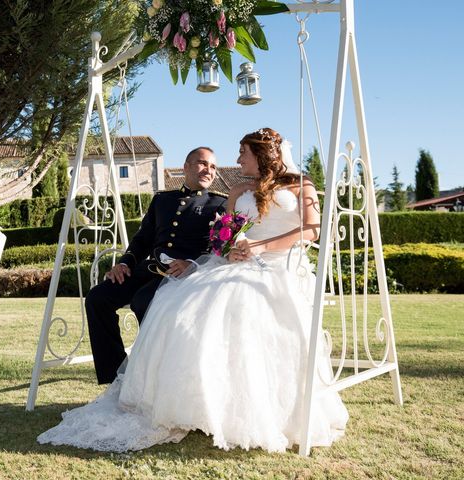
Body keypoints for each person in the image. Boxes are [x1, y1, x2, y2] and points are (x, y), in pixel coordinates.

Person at [38, 128, 348, 453]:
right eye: (204, 164)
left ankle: (207, 397)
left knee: (165, 302)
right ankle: (128, 378)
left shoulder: (298, 185)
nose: (231, 161)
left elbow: (312, 229)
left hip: (275, 265)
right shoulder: (217, 192)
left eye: (241, 152)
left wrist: (252, 248)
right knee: (126, 299)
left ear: (260, 154)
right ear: (186, 167)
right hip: (201, 264)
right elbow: (206, 240)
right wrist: (228, 251)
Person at [85, 147, 227, 384]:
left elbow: (216, 248)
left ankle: (152, 379)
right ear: (186, 167)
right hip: (148, 270)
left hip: (182, 275)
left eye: (213, 167)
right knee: (97, 298)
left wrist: (192, 264)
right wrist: (124, 263)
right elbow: (142, 240)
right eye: (203, 163)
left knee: (144, 301)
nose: (208, 170)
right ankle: (116, 377)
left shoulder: (219, 205)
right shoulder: (162, 200)